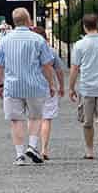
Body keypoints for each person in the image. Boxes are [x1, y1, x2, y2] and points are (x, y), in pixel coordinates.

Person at [0, 7, 57, 166]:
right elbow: (47, 66)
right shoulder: (38, 40)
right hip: (35, 86)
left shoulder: (5, 40)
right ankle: (33, 146)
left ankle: (19, 155)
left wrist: (0, 84)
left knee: (16, 120)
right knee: (35, 117)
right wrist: (51, 84)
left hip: (12, 87)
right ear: (28, 21)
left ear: (14, 21)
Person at [68, 13, 98, 160]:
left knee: (87, 121)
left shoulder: (79, 45)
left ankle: (89, 151)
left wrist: (71, 87)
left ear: (84, 26)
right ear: (97, 25)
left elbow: (75, 68)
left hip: (86, 87)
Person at [31, 26, 64, 160]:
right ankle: (44, 148)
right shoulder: (51, 51)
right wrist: (61, 86)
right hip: (48, 87)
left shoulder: (28, 50)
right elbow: (59, 70)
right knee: (46, 119)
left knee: (33, 118)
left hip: (32, 87)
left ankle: (32, 146)